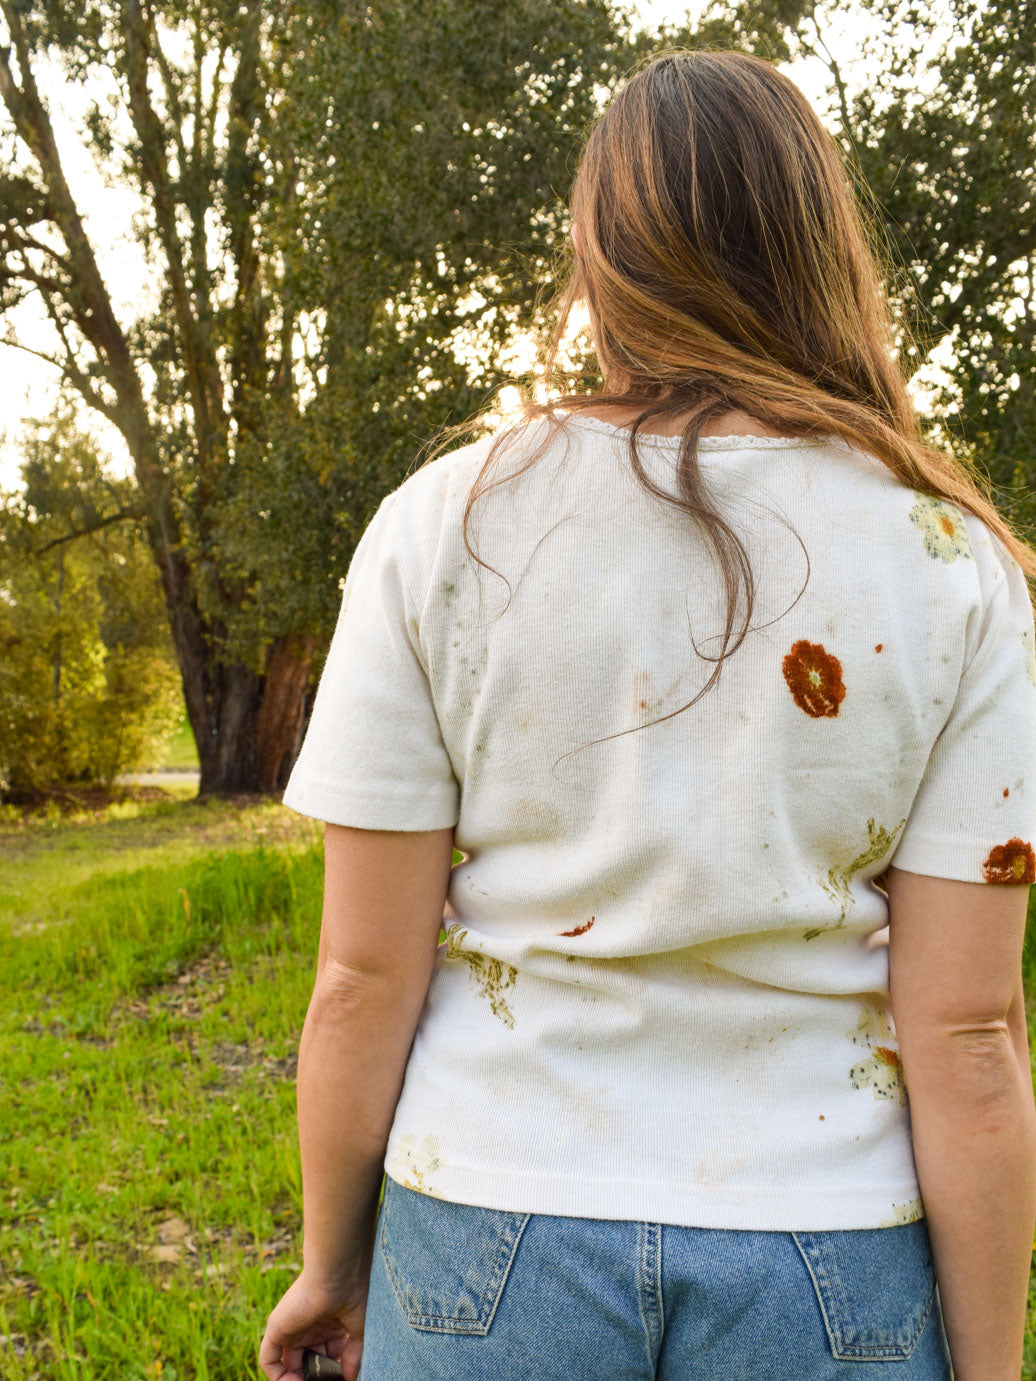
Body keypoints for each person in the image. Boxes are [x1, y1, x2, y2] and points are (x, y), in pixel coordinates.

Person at [258, 47, 1036, 1381]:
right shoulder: (954, 559)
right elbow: (969, 1032)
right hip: (826, 1256)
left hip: (488, 1237)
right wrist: (988, 1364)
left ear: (599, 256)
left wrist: (333, 1267)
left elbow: (361, 979)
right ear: (819, 250)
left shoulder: (442, 526)